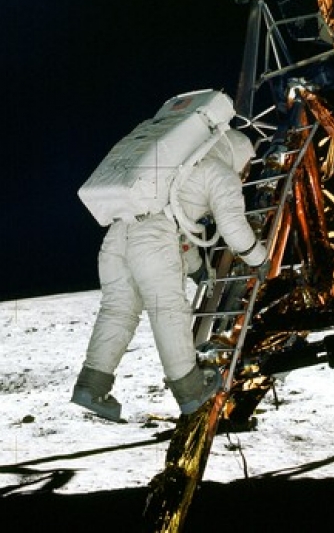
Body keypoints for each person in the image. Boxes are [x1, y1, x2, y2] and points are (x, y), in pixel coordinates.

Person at [71, 128, 268, 421]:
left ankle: (91, 387)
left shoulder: (181, 166)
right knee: (168, 310)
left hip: (117, 238)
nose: (245, 172)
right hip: (152, 240)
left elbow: (180, 226)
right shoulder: (219, 171)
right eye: (247, 165)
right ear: (238, 153)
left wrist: (198, 269)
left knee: (117, 311)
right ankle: (190, 390)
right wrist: (259, 258)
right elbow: (232, 225)